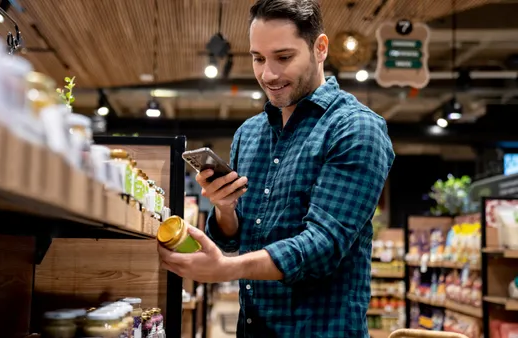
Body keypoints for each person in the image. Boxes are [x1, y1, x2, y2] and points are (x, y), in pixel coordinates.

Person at [157, 0, 395, 336]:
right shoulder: (249, 134)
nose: (268, 74)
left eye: (283, 58)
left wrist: (225, 269)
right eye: (258, 58)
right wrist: (225, 210)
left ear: (320, 48)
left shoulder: (356, 129)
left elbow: (322, 247)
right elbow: (233, 240)